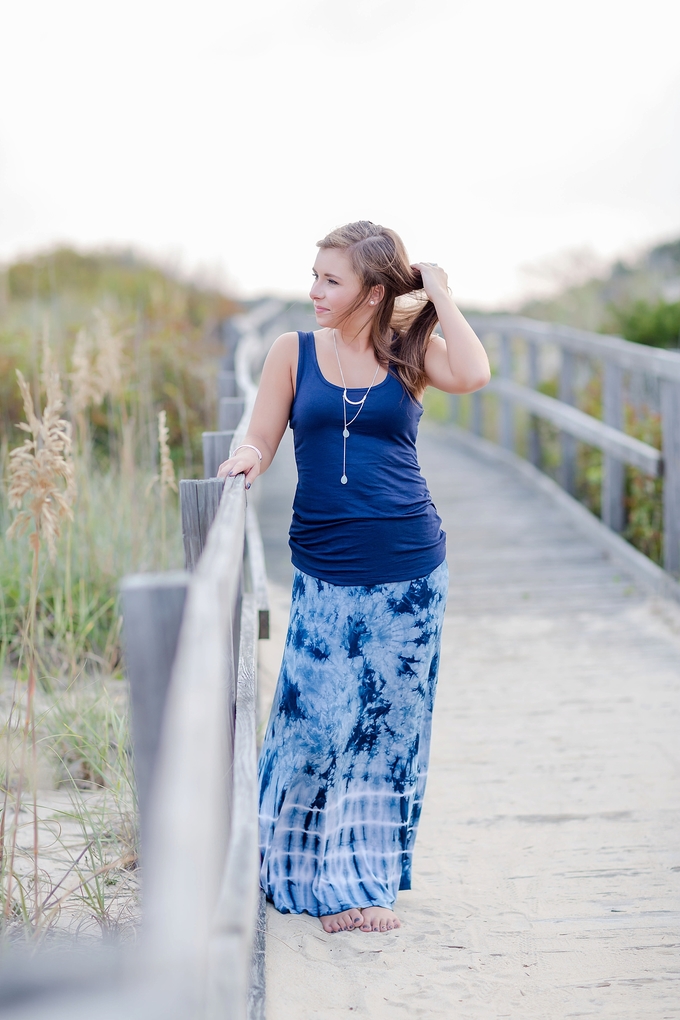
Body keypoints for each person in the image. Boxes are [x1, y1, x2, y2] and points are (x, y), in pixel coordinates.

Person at [218, 221, 490, 934]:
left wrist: (443, 297)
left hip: (409, 567)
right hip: (322, 565)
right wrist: (247, 457)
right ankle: (299, 863)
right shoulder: (292, 352)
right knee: (312, 720)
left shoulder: (411, 352)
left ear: (373, 292)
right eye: (313, 274)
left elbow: (474, 372)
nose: (314, 290)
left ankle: (359, 883)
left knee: (384, 729)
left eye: (331, 280)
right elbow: (262, 435)